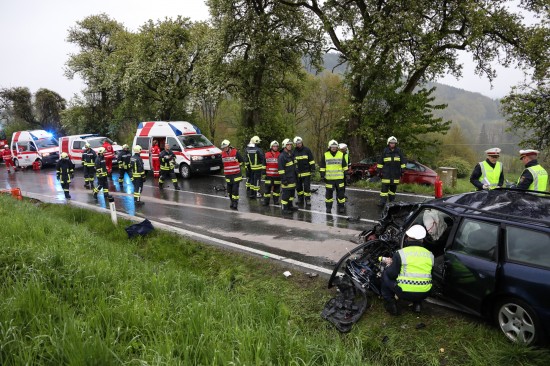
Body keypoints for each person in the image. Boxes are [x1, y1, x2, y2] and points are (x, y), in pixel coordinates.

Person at [380, 224, 434, 315]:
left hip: (405, 292)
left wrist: (390, 265)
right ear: (422, 240)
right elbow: (429, 274)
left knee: (385, 274)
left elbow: (391, 274)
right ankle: (417, 304)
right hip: (425, 292)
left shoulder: (401, 254)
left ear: (408, 237)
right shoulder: (430, 255)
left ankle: (391, 305)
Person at [377, 136, 406, 206]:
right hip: (386, 173)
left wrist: (403, 170)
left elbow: (403, 161)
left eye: (394, 143)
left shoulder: (399, 151)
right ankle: (382, 202)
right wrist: (379, 171)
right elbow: (380, 161)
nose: (392, 144)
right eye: (391, 143)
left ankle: (391, 202)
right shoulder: (385, 151)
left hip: (395, 174)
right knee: (384, 189)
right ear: (388, 143)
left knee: (393, 190)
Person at [320, 140, 347, 214]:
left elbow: (344, 166)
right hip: (329, 179)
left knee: (341, 194)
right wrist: (322, 175)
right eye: (332, 147)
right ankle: (328, 208)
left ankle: (341, 207)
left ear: (337, 147)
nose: (334, 148)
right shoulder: (325, 155)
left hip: (340, 179)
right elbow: (322, 166)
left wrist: (346, 174)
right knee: (329, 195)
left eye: (335, 147)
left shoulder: (341, 154)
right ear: (329, 147)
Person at [221, 139, 245, 210]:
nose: (224, 148)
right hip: (228, 175)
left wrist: (237, 165)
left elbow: (241, 161)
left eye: (225, 147)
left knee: (235, 190)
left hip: (236, 175)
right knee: (229, 190)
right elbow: (222, 164)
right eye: (223, 147)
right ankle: (232, 201)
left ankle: (235, 203)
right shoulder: (222, 154)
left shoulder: (235, 152)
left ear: (229, 146)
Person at [293, 136, 316, 206]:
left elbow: (311, 160)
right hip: (297, 173)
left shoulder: (307, 150)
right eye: (297, 143)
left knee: (306, 187)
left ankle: (308, 199)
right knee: (299, 188)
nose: (298, 144)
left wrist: (313, 168)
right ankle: (300, 199)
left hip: (306, 172)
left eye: (299, 143)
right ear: (295, 144)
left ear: (302, 142)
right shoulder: (294, 151)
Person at [278, 138, 298, 213]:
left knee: (291, 194)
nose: (289, 146)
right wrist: (284, 180)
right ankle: (284, 208)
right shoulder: (282, 156)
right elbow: (281, 170)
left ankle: (290, 206)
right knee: (286, 195)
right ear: (284, 146)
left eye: (290, 144)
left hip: (292, 178)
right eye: (288, 145)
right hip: (286, 179)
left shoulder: (291, 154)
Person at [262, 141, 281, 206]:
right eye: (274, 146)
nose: (275, 147)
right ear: (271, 147)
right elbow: (264, 164)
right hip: (268, 175)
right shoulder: (266, 154)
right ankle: (266, 201)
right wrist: (263, 172)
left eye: (276, 146)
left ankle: (276, 201)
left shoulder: (280, 154)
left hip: (277, 175)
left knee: (277, 190)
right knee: (267, 190)